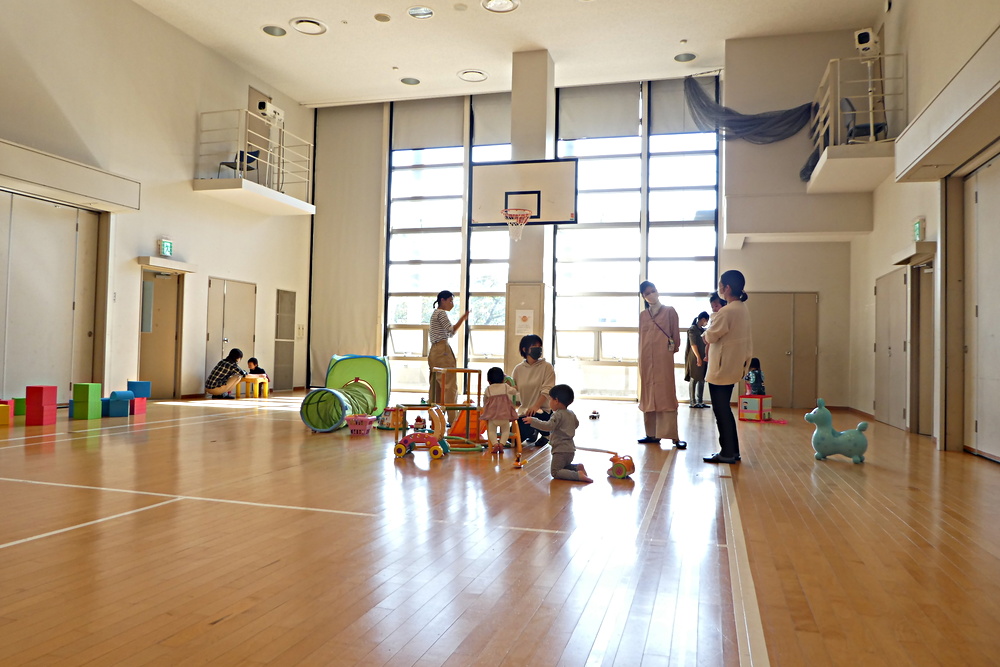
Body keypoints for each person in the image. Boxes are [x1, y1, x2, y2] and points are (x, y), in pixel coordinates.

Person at [703, 270, 753, 464]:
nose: (719, 288)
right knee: (725, 410)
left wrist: (709, 326)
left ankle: (727, 452)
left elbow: (710, 336)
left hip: (721, 368)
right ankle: (733, 451)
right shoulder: (741, 308)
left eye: (721, 285)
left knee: (721, 410)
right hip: (732, 366)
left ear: (728, 288)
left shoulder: (727, 311)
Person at [637, 281, 686, 449]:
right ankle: (651, 434)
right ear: (644, 297)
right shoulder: (643, 315)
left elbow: (675, 338)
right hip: (646, 360)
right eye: (647, 293)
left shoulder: (669, 311)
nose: (651, 294)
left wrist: (668, 351)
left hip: (663, 360)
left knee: (666, 395)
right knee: (649, 395)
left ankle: (673, 436)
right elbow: (641, 339)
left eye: (653, 290)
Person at [521, 384, 592, 483]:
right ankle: (577, 467)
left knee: (555, 472)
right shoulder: (571, 413)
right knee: (564, 466)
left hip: (560, 450)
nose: (549, 402)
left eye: (550, 399)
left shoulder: (557, 415)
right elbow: (576, 424)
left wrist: (533, 421)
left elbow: (548, 426)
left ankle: (577, 475)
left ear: (556, 401)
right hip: (570, 449)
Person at [428, 290, 469, 423]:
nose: (452, 304)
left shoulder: (435, 314)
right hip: (442, 350)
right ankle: (452, 419)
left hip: (434, 351)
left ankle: (435, 419)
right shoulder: (441, 313)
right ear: (443, 300)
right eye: (450, 301)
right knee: (449, 384)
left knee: (436, 386)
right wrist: (462, 319)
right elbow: (451, 330)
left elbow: (449, 333)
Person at [511, 334, 556, 447]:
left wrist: (536, 406)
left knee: (535, 416)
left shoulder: (547, 367)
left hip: (543, 411)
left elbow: (547, 389)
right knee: (513, 440)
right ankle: (533, 431)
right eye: (534, 347)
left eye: (539, 347)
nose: (538, 349)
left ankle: (545, 435)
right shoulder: (518, 369)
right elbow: (514, 389)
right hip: (525, 411)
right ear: (525, 349)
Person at [481, 367, 519, 455]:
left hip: (493, 416)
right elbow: (514, 392)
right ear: (503, 379)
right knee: (506, 431)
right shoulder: (505, 386)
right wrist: (515, 387)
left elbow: (485, 401)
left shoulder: (488, 389)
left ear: (488, 381)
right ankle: (502, 444)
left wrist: (484, 409)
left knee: (491, 431)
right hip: (504, 415)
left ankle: (495, 444)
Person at [685, 311, 710, 408]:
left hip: (703, 357)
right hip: (694, 357)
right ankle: (692, 402)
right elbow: (693, 344)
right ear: (703, 319)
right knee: (694, 378)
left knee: (702, 378)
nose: (706, 323)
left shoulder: (702, 330)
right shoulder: (693, 329)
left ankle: (700, 401)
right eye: (706, 321)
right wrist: (698, 357)